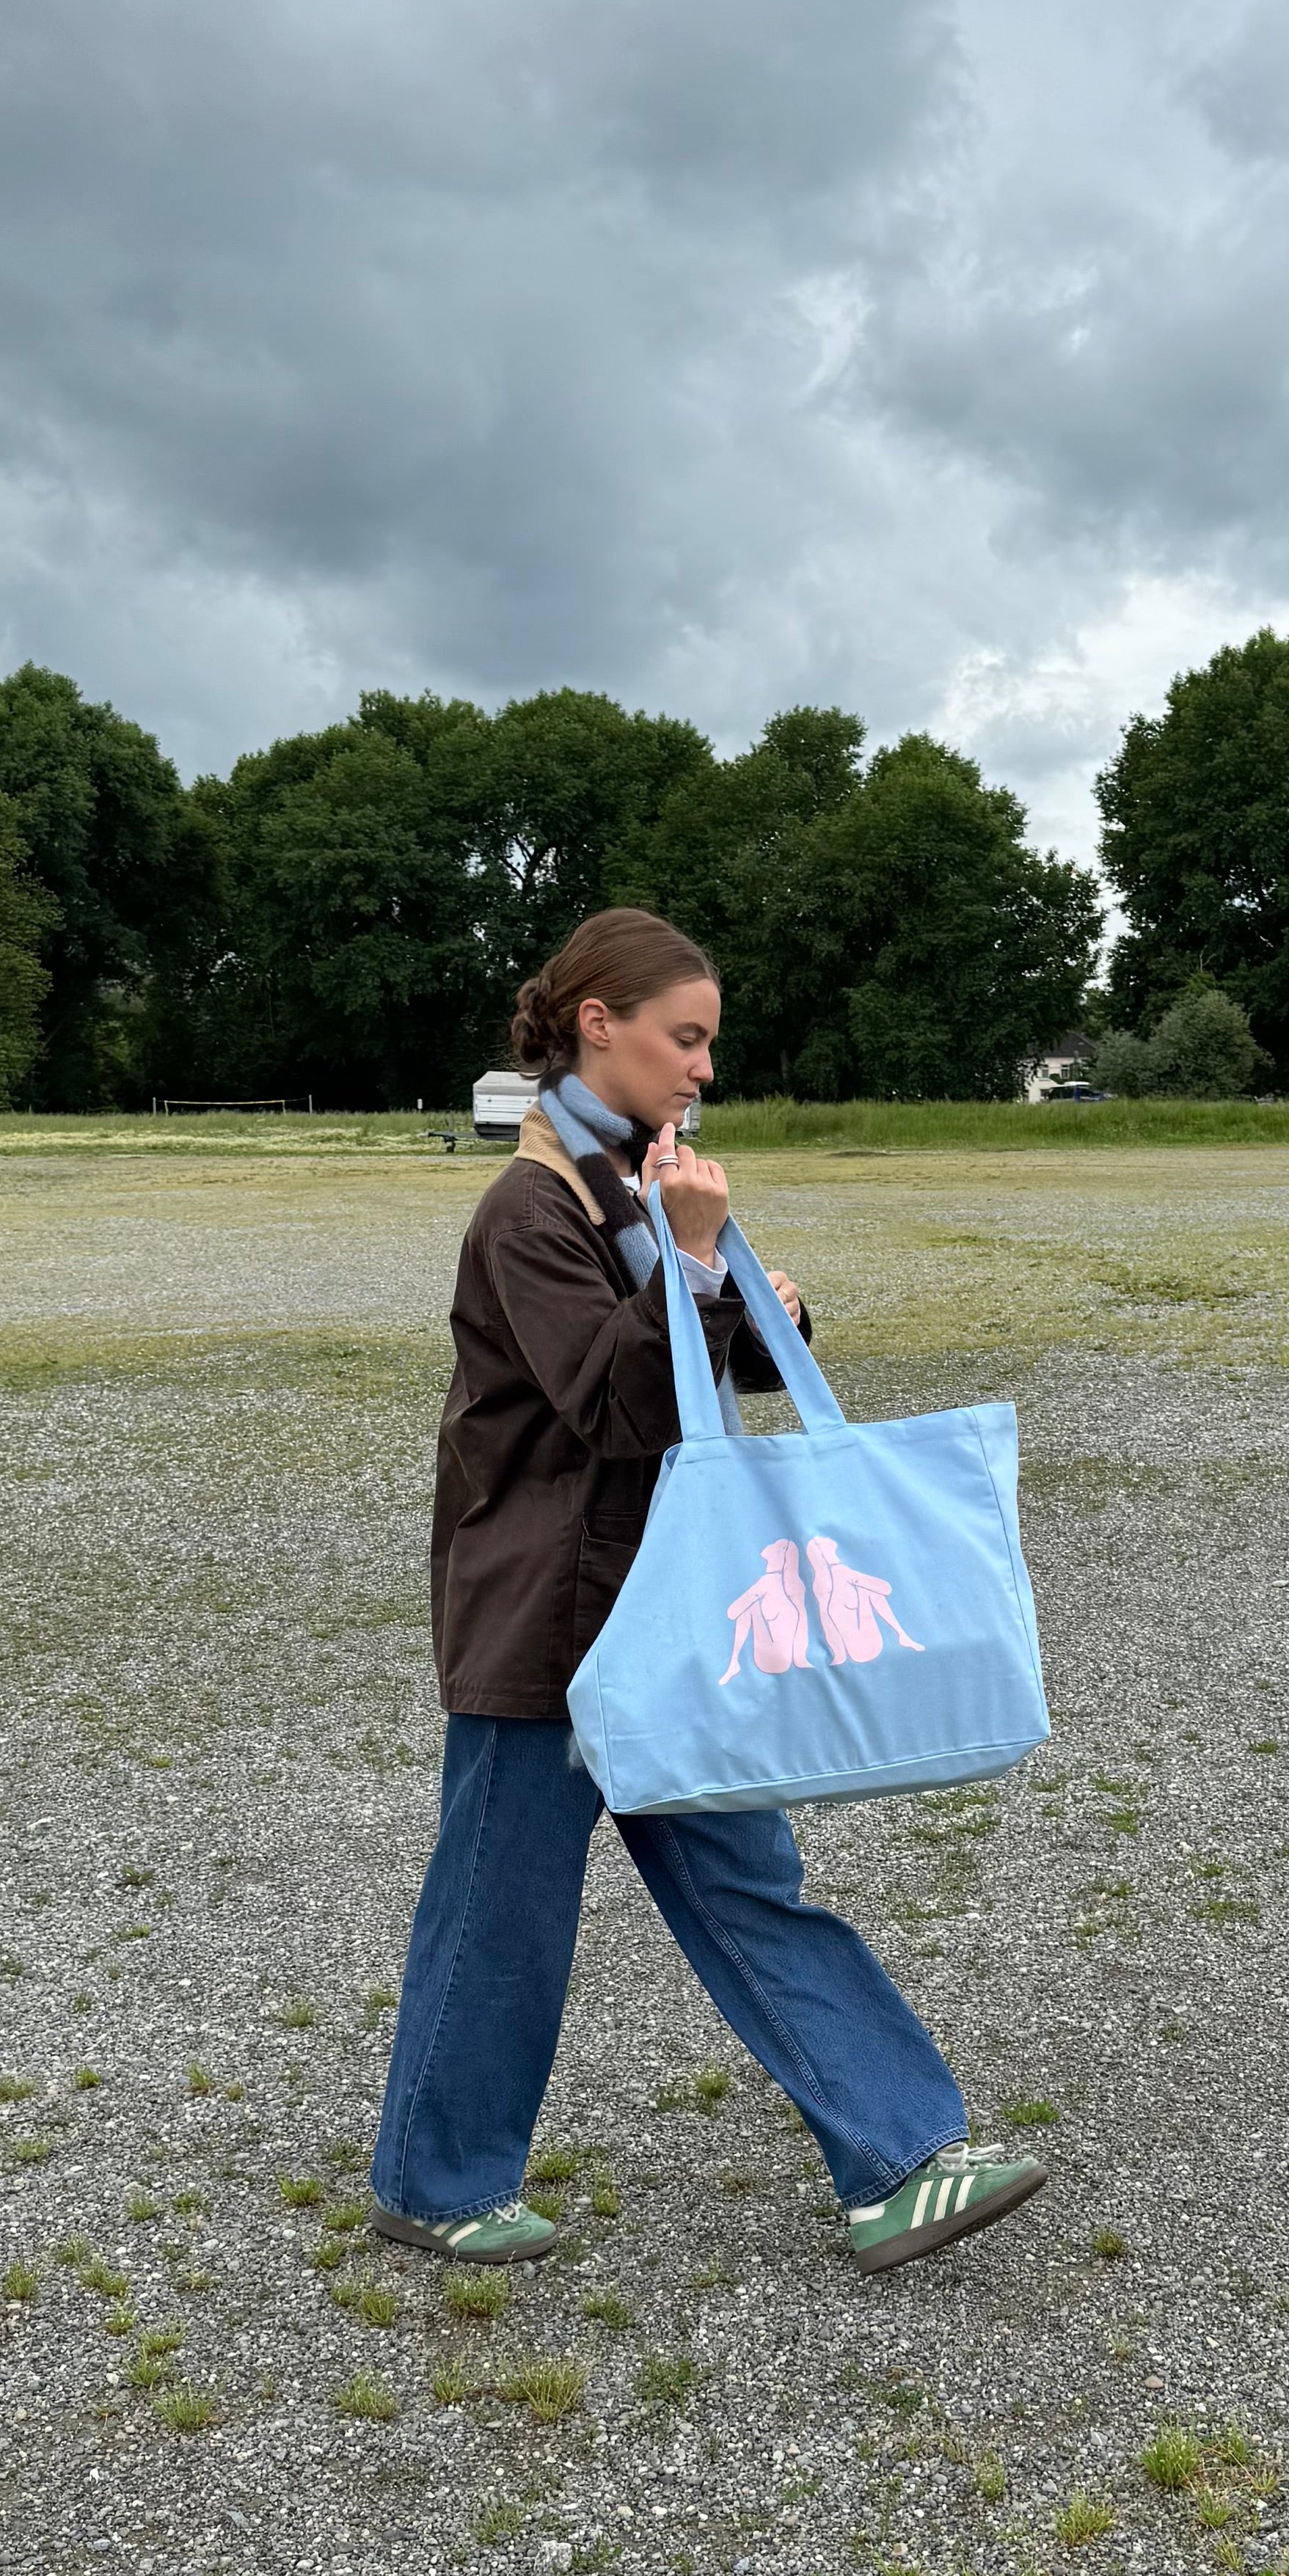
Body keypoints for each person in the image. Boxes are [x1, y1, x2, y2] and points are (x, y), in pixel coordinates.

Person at [369, 907, 1046, 2276]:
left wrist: (754, 1305)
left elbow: (685, 1371)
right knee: (502, 1907)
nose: (703, 1070)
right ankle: (435, 2180)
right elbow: (617, 1405)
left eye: (710, 1044)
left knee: (751, 1882)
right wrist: (689, 1259)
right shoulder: (530, 1209)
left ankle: (900, 2158)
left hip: (670, 1609)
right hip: (547, 1624)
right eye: (685, 1039)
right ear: (595, 1028)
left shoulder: (629, 1185)